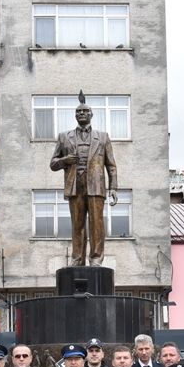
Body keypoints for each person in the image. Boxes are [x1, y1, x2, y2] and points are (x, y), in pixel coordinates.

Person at [49, 93, 118, 266]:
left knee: (96, 224)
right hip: (75, 186)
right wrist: (65, 160)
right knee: (77, 225)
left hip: (96, 186)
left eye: (85, 111)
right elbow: (53, 164)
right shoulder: (64, 137)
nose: (82, 114)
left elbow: (111, 165)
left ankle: (96, 259)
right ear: (75, 115)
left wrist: (113, 188)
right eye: (78, 112)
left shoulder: (103, 137)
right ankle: (77, 259)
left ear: (91, 115)